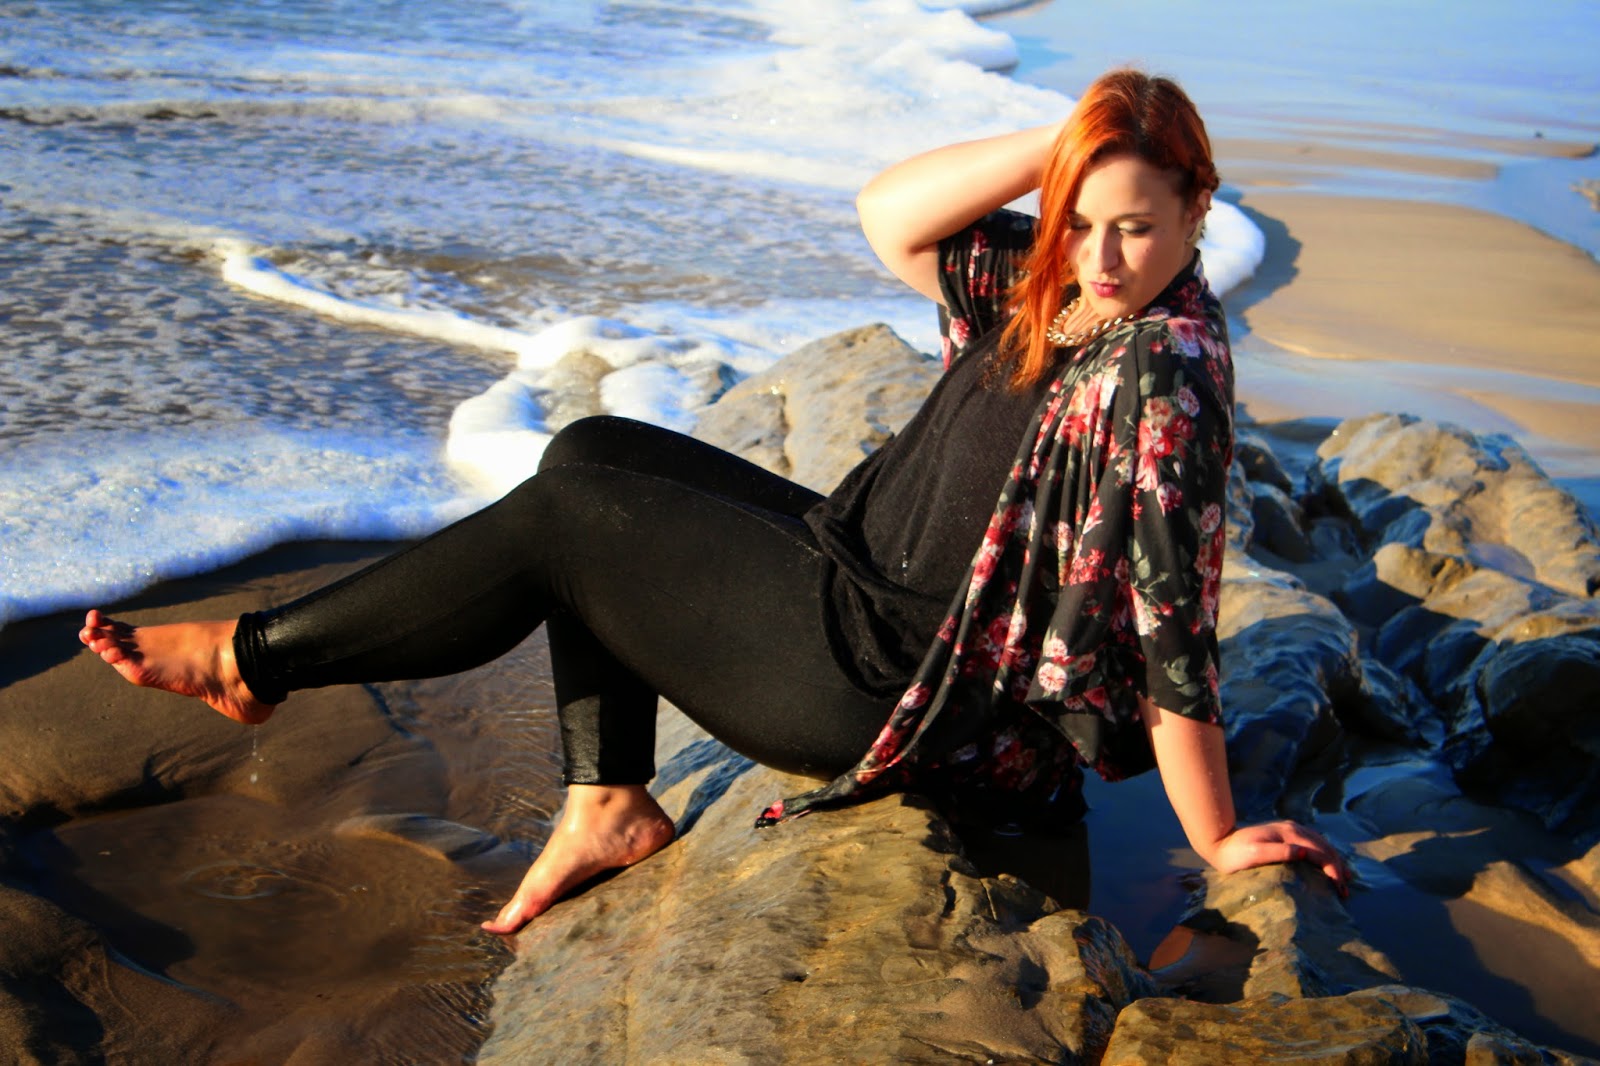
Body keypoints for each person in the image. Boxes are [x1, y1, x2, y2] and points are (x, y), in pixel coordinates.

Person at [79, 68, 1348, 937]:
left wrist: (1215, 835)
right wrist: (1062, 143)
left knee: (567, 527)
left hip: (882, 672)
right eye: (1079, 221)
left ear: (1198, 205)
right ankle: (607, 803)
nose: (1102, 256)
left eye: (1135, 226)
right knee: (588, 451)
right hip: (846, 566)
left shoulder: (1163, 373)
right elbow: (891, 218)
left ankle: (250, 659)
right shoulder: (1061, 282)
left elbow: (1173, 619)